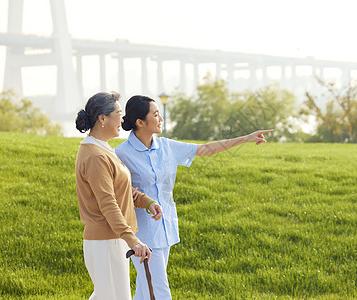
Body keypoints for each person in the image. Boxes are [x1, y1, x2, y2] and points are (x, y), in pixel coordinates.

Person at [115, 95, 273, 299]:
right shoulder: (120, 154)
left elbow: (206, 149)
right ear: (140, 122)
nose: (161, 118)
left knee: (146, 290)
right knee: (159, 291)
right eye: (155, 114)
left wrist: (246, 138)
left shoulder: (167, 147)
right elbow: (118, 194)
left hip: (165, 229)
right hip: (142, 234)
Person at [74, 92, 163, 300]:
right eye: (118, 114)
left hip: (113, 240)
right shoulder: (96, 156)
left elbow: (121, 191)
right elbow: (108, 204)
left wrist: (147, 202)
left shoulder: (103, 149)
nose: (122, 120)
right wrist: (133, 241)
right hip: (107, 241)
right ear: (102, 119)